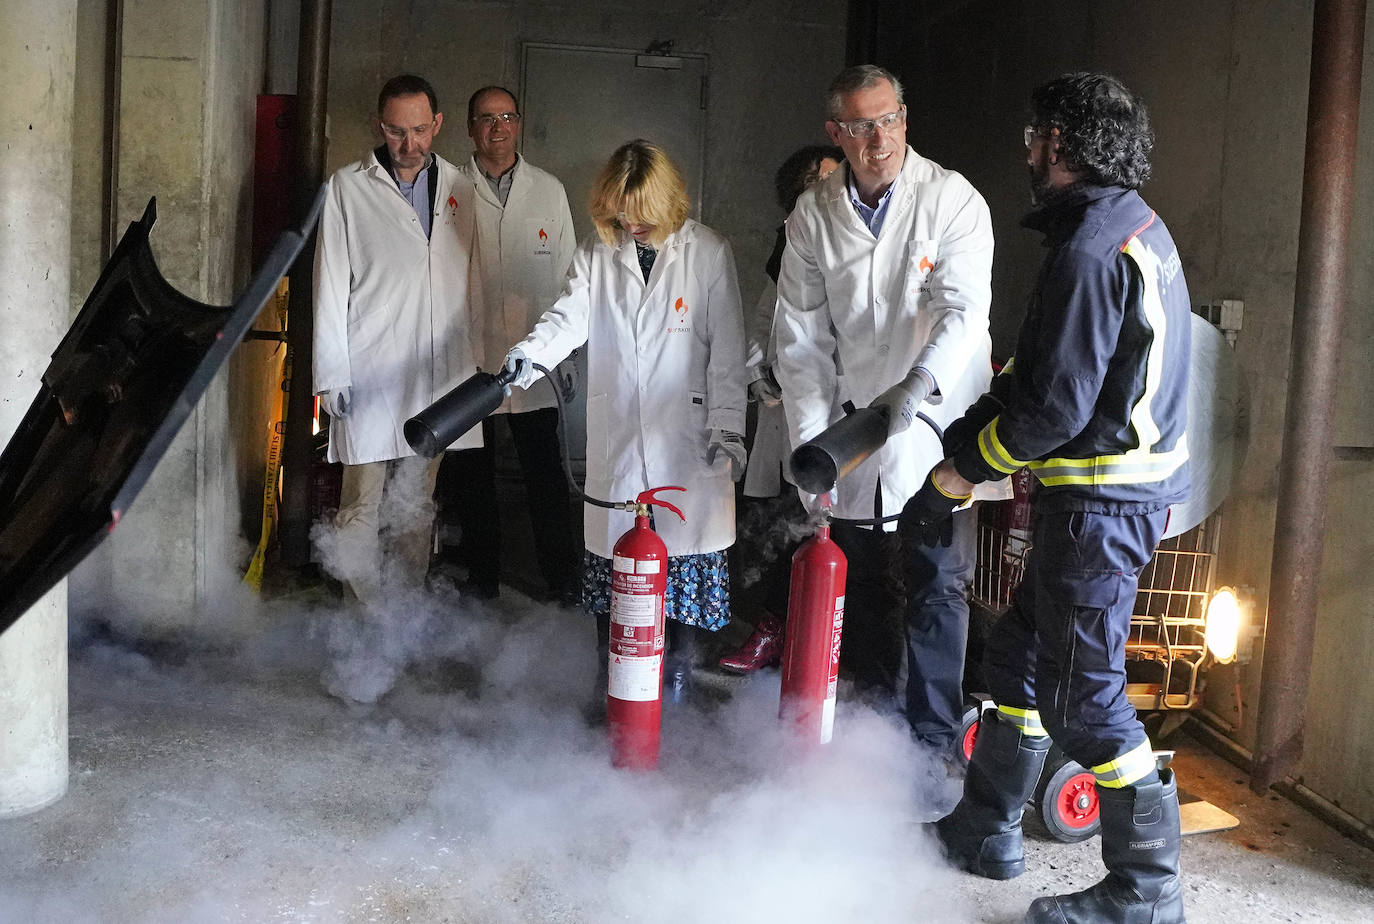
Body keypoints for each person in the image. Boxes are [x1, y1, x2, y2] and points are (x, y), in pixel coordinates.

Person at [910, 73, 1190, 923]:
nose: (1027, 150)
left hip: (1102, 507)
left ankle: (1146, 891)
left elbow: (1054, 411)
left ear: (1060, 141)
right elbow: (1039, 375)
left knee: (1087, 699)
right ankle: (986, 827)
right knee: (1018, 661)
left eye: (1034, 135)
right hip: (1100, 503)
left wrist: (960, 476)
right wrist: (962, 438)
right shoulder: (1121, 228)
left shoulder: (1090, 250)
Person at [772, 65, 998, 756]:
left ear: (905, 117)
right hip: (852, 429)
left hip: (937, 421)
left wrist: (918, 383)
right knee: (865, 579)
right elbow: (801, 340)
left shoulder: (952, 200)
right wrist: (814, 449)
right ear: (835, 132)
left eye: (889, 119)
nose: (879, 140)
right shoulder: (813, 214)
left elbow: (963, 313)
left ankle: (931, 746)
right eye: (861, 126)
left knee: (938, 583)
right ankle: (870, 740)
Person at [504, 139, 747, 707]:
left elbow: (728, 349)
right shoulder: (598, 251)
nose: (629, 225)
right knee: (616, 569)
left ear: (665, 202)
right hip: (620, 432)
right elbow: (568, 317)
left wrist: (728, 425)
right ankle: (611, 680)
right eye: (619, 213)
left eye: (640, 213)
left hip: (688, 437)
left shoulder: (708, 251)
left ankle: (675, 681)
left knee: (685, 565)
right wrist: (529, 355)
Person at [313, 74, 481, 604]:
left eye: (420, 130)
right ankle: (363, 622)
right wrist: (330, 374)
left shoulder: (462, 188)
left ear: (438, 124)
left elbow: (477, 279)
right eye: (395, 131)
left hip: (438, 371)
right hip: (368, 367)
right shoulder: (348, 187)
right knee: (359, 506)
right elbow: (328, 284)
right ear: (378, 125)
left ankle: (404, 618)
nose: (409, 144)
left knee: (416, 503)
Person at [436, 85, 580, 602]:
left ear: (518, 124)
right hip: (469, 353)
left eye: (507, 117)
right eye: (486, 118)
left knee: (544, 472)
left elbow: (570, 275)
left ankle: (561, 580)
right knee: (472, 473)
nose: (498, 127)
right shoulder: (449, 188)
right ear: (469, 128)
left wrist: (567, 352)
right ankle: (483, 578)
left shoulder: (549, 191)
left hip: (533, 355)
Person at [719, 144, 843, 673]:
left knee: (829, 531)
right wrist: (760, 372)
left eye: (832, 180)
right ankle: (775, 633)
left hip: (841, 413)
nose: (823, 190)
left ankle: (816, 643)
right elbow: (763, 320)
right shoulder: (787, 243)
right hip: (785, 407)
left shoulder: (861, 246)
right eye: (812, 183)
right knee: (778, 525)